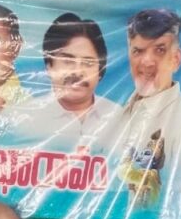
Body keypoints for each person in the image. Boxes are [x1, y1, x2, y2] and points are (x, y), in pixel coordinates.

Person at [110, 8, 181, 207]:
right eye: (138, 51)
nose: (147, 62)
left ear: (176, 59)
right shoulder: (113, 117)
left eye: (160, 50)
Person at [17, 13, 121, 146]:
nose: (77, 72)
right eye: (68, 60)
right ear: (49, 67)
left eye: (88, 63)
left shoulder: (118, 116)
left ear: (100, 72)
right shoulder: (25, 118)